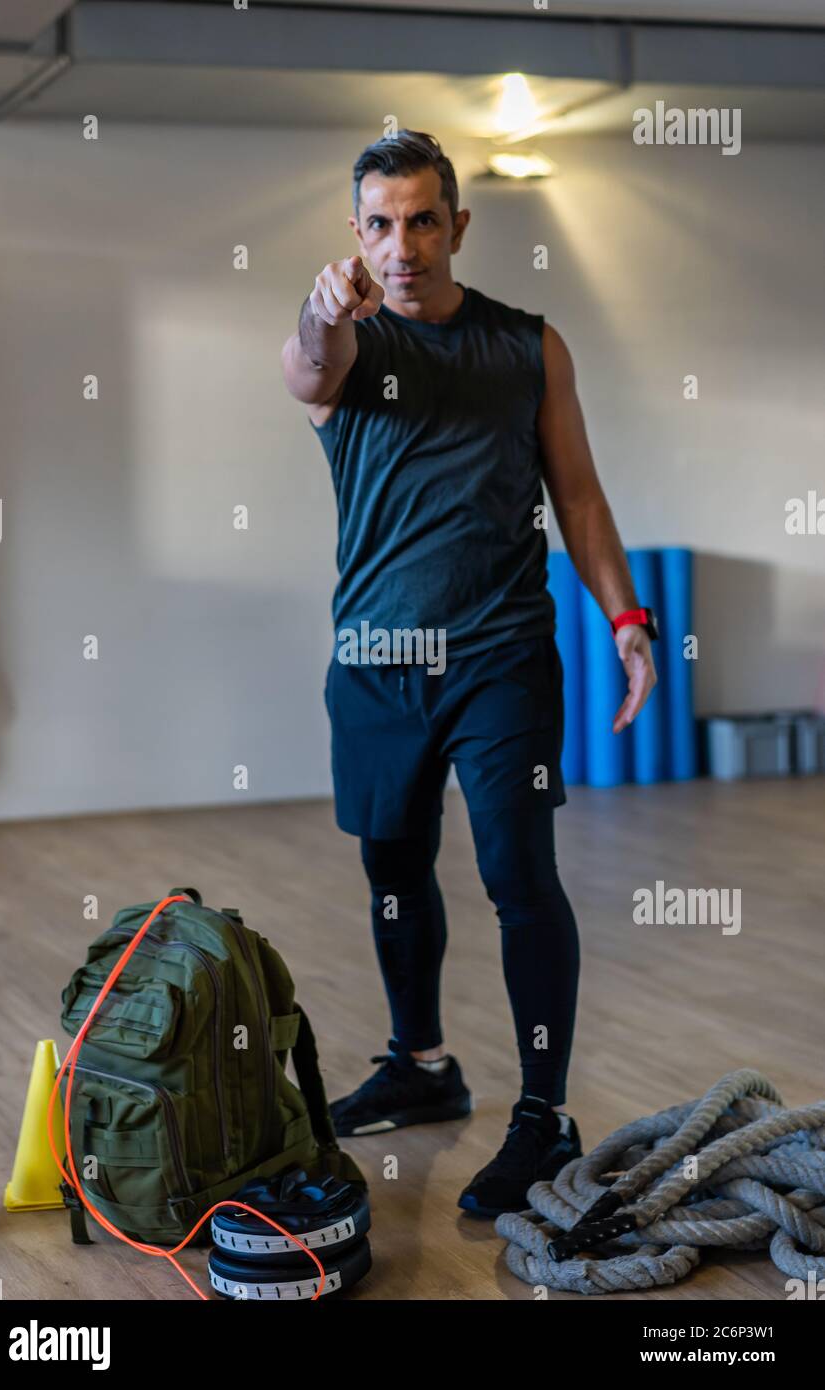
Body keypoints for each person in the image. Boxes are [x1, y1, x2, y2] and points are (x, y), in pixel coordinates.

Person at [280, 131, 658, 1218]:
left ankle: (543, 1115)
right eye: (379, 224)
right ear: (355, 233)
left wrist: (626, 618)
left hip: (498, 654)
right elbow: (308, 365)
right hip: (375, 661)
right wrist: (318, 309)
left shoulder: (527, 347)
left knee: (516, 873)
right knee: (393, 871)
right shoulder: (341, 346)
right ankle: (421, 1063)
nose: (402, 244)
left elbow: (576, 496)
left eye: (422, 220)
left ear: (455, 224)